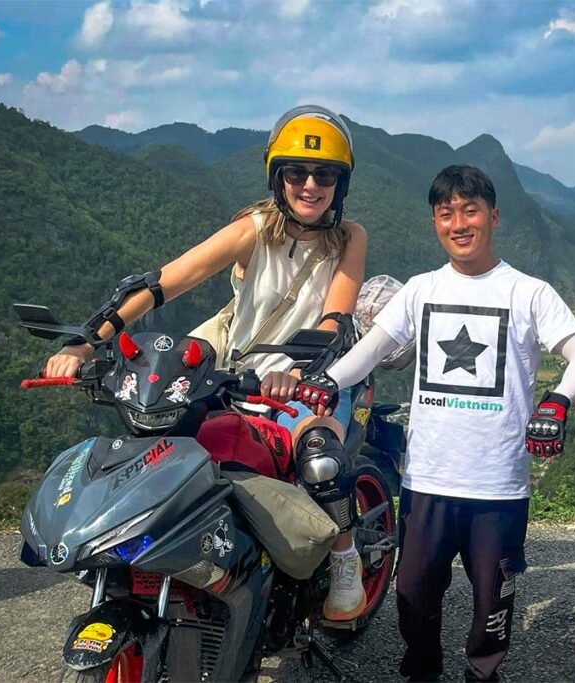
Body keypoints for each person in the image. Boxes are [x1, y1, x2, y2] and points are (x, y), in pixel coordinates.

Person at [42, 105, 370, 621]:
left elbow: (335, 318)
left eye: (324, 175)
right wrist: (85, 343)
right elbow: (164, 283)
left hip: (309, 376)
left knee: (320, 455)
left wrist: (297, 372)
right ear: (277, 177)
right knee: (164, 449)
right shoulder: (253, 230)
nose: (310, 185)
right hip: (234, 372)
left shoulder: (349, 237)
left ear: (340, 183)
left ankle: (345, 558)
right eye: (296, 173)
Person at [291, 165, 575, 682]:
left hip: (498, 485)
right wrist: (327, 381)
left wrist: (556, 402)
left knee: (492, 601)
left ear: (493, 217)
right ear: (435, 222)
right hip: (427, 480)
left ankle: (482, 675)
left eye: (470, 211)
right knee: (412, 594)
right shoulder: (421, 289)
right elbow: (372, 350)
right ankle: (422, 671)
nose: (458, 223)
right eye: (445, 213)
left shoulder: (529, 292)